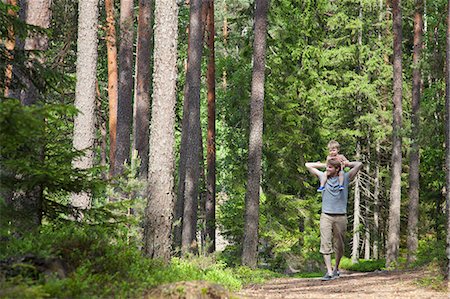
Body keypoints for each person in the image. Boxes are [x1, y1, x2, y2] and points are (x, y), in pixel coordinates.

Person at [305, 158, 363, 281]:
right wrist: (324, 164)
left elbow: (359, 164)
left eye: (331, 167)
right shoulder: (323, 177)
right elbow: (308, 164)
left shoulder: (345, 177)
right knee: (325, 243)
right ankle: (329, 271)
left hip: (341, 216)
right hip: (326, 215)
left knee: (340, 245)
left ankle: (336, 268)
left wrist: (345, 164)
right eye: (328, 167)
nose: (328, 169)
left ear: (337, 169)